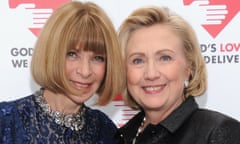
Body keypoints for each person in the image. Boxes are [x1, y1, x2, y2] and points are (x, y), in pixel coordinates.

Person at [0, 1, 125, 144]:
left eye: (97, 58)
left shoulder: (105, 130)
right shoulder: (6, 121)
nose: (85, 71)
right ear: (51, 55)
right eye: (72, 54)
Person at [117, 6, 240, 144]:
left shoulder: (218, 132)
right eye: (138, 60)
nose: (151, 74)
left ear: (189, 68)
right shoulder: (118, 136)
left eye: (165, 58)